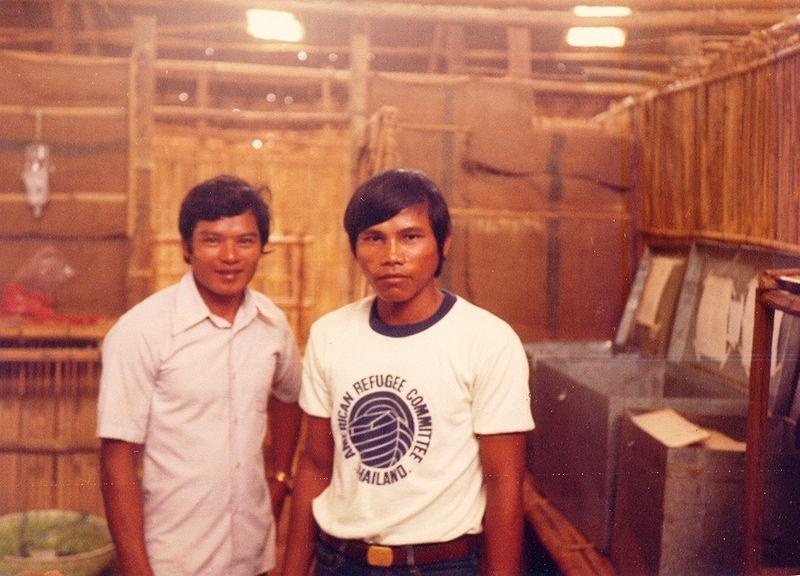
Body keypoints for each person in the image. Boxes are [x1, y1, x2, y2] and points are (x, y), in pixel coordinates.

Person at [283, 168, 534, 576]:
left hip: (439, 566)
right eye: (374, 238)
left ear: (443, 243)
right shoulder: (330, 334)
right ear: (355, 248)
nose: (392, 256)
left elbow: (505, 483)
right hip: (339, 562)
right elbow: (314, 465)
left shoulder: (487, 340)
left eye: (411, 236)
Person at [97, 174, 302, 576]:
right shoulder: (142, 330)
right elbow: (115, 462)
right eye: (212, 240)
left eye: (244, 241)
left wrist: (278, 478)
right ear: (186, 248)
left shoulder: (271, 324)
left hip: (252, 557)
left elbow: (289, 396)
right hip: (171, 560)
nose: (230, 255)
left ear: (262, 247)